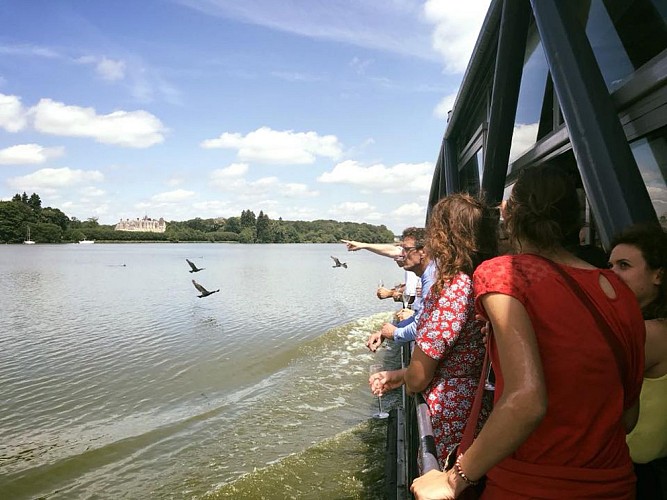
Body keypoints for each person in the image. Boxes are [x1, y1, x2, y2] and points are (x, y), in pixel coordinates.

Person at [412, 165, 645, 499]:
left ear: (512, 217)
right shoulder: (618, 291)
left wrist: (453, 479)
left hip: (531, 483)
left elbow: (526, 400)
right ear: (576, 221)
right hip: (614, 482)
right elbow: (628, 416)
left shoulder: (505, 274)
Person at [369, 193, 498, 467]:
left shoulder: (454, 289)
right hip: (481, 408)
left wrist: (407, 376)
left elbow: (418, 379)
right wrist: (402, 374)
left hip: (454, 418)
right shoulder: (485, 280)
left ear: (445, 237)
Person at [609, 223, 667, 499]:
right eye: (610, 266)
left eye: (624, 265)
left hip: (639, 472)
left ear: (658, 275)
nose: (612, 275)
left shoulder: (651, 333)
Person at [363, 228, 436, 351]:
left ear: (422, 251)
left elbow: (423, 328)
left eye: (406, 249)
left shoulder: (432, 278)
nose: (402, 254)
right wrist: (383, 332)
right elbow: (418, 317)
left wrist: (394, 333)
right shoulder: (427, 275)